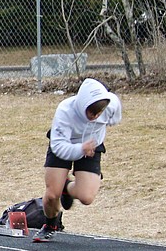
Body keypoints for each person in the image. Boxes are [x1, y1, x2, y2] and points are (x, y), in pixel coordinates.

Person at [32, 78, 121, 242]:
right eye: (91, 113)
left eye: (99, 113)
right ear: (82, 106)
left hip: (92, 146)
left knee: (86, 197)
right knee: (52, 195)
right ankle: (50, 225)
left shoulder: (111, 104)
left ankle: (66, 187)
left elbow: (115, 118)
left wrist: (91, 141)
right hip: (64, 143)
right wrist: (80, 149)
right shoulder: (65, 111)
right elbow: (58, 146)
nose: (95, 117)